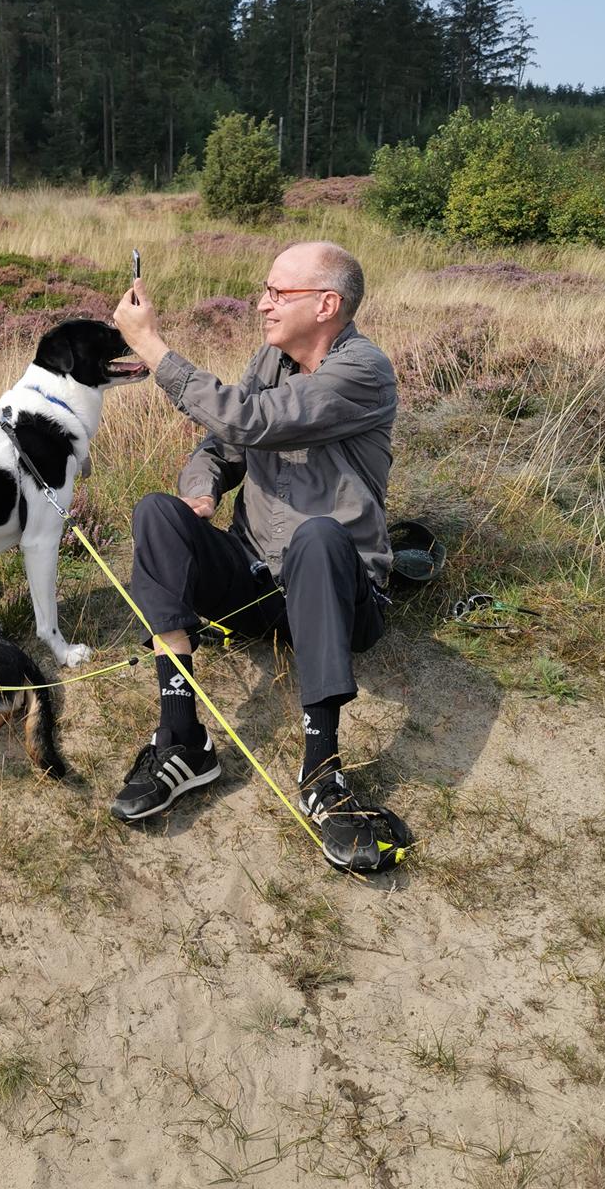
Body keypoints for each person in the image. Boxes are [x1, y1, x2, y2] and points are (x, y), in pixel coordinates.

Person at [108, 240, 397, 834]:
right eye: (264, 292)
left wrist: (151, 346)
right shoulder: (271, 361)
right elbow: (222, 444)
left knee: (319, 536)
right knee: (158, 513)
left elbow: (250, 418)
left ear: (326, 305)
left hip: (338, 599)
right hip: (257, 584)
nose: (262, 304)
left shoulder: (363, 371)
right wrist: (203, 490)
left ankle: (322, 770)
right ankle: (182, 738)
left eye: (277, 293)